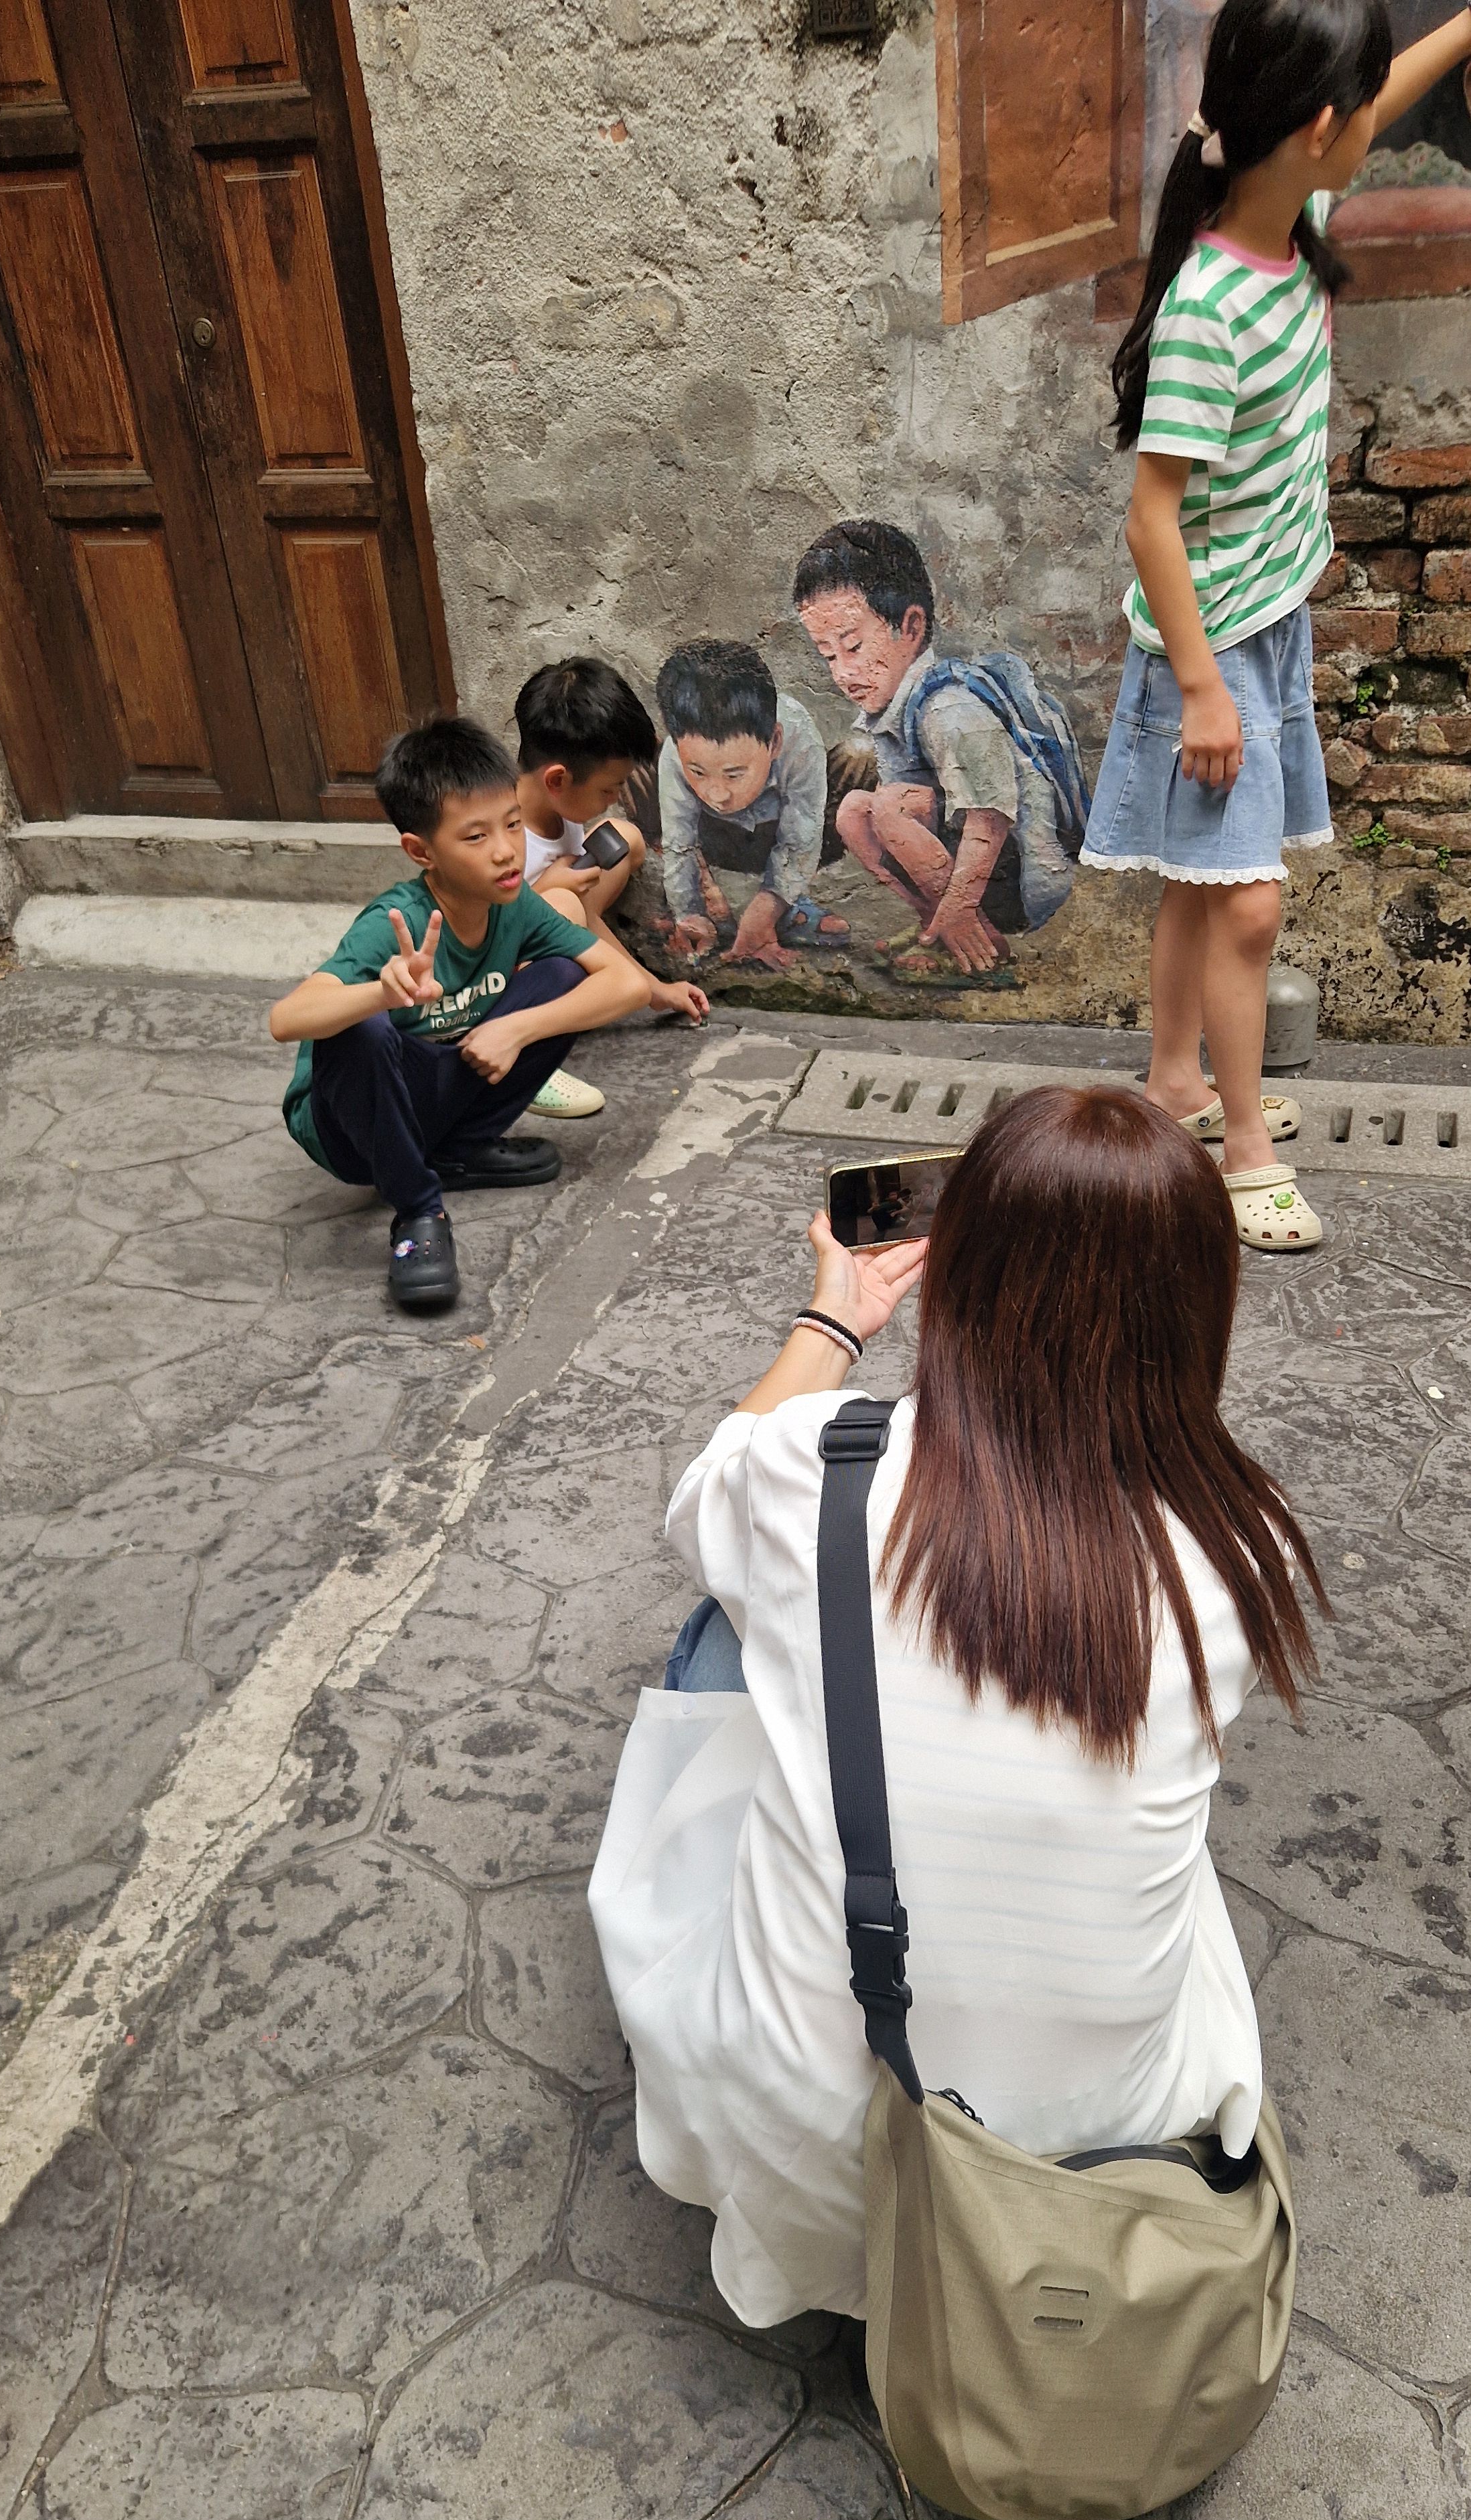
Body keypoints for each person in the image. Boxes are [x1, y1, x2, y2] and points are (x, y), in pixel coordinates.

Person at [590, 1088, 1324, 2328]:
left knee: (727, 1628)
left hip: (813, 2146)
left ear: (962, 1272)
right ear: (1203, 1298)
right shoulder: (1234, 1539)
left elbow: (699, 1499)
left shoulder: (822, 1472)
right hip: (1099, 2161)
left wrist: (837, 1313)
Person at [1084, 0, 1471, 1250]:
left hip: (1258, 622)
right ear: (1317, 130)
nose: (1375, 125)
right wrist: (1199, 688)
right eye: (1358, 112)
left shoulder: (1286, 220)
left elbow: (1388, 80)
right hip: (1209, 645)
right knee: (1248, 904)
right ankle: (1241, 1146)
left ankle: (1175, 1086)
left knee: (1205, 887)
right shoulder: (1209, 306)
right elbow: (1152, 520)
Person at [271, 715, 647, 1309]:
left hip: (436, 1090)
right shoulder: (394, 922)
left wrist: (516, 1027)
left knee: (562, 977)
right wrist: (380, 994)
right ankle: (419, 1211)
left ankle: (455, 1153)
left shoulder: (516, 904)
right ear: (423, 851)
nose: (505, 852)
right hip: (350, 1132)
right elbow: (285, 1020)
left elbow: (625, 984)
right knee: (359, 1031)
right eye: (475, 838)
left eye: (513, 825)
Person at [792, 520, 1085, 978]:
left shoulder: (948, 709)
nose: (843, 673)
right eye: (829, 655)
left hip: (1024, 876)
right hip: (970, 867)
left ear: (911, 627)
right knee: (853, 810)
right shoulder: (892, 710)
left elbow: (990, 816)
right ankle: (948, 929)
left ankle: (962, 927)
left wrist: (961, 905)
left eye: (853, 647)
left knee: (890, 805)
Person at [514, 657, 707, 1107]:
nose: (617, 797)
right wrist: (546, 893)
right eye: (609, 789)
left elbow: (582, 922)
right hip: (495, 979)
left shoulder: (555, 812)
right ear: (557, 780)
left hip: (553, 920)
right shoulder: (499, 835)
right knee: (563, 904)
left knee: (621, 839)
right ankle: (524, 1058)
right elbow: (468, 940)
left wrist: (658, 991)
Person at [655, 638, 850, 970]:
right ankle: (718, 904)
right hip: (716, 840)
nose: (717, 794)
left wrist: (764, 911)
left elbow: (801, 837)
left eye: (734, 775)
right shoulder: (675, 754)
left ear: (774, 742)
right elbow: (678, 844)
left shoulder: (799, 736)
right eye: (698, 772)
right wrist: (689, 914)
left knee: (857, 760)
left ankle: (784, 909)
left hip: (776, 835)